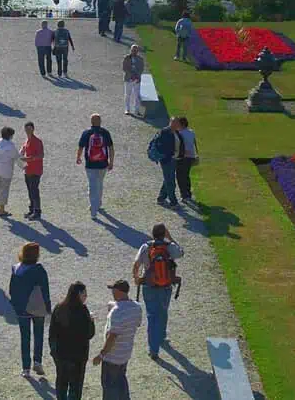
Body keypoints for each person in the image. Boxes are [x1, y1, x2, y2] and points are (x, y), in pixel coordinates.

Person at [132, 224, 183, 360]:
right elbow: (181, 253)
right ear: (164, 234)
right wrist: (170, 238)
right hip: (166, 286)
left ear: (153, 233)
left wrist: (136, 278)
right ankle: (161, 336)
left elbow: (136, 264)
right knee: (163, 311)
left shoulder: (146, 247)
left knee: (152, 316)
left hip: (149, 286)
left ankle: (153, 350)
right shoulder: (169, 247)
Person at [91, 280, 142, 398]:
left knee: (110, 388)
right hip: (125, 353)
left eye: (113, 290)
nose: (112, 292)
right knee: (121, 381)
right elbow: (137, 323)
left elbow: (112, 337)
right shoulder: (137, 307)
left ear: (118, 291)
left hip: (112, 357)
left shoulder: (116, 312)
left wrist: (101, 355)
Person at [9, 242, 51, 378]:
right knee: (38, 335)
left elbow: (11, 290)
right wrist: (48, 308)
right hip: (38, 307)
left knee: (25, 337)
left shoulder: (16, 269)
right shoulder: (39, 270)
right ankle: (37, 362)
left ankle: (25, 368)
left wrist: (15, 305)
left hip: (21, 308)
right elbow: (45, 291)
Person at [49, 282, 96, 400]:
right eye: (84, 294)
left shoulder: (59, 308)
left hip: (61, 355)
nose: (86, 296)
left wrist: (53, 351)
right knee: (76, 387)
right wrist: (91, 321)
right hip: (78, 357)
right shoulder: (83, 310)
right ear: (78, 294)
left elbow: (52, 333)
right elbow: (89, 334)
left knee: (61, 384)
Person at [76, 114, 114, 219]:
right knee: (100, 184)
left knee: (92, 185)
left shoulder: (86, 133)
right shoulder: (105, 133)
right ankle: (99, 204)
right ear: (100, 121)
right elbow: (111, 148)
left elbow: (81, 147)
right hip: (103, 164)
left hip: (90, 165)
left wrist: (78, 157)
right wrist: (111, 162)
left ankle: (93, 210)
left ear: (91, 122)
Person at [0, 126, 20, 217]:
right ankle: (2, 210)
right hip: (6, 171)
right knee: (4, 190)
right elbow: (17, 157)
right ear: (10, 136)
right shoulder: (11, 146)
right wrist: (25, 166)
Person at [19, 121, 45, 220]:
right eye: (26, 129)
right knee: (30, 191)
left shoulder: (37, 141)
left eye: (29, 129)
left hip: (35, 170)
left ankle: (37, 211)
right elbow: (22, 150)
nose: (27, 131)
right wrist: (20, 154)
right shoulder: (27, 140)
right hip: (28, 170)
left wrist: (29, 159)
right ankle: (32, 209)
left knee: (34, 191)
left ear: (33, 129)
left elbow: (41, 155)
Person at [155, 119, 179, 208]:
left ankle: (161, 198)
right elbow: (161, 146)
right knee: (170, 181)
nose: (176, 125)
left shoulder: (175, 132)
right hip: (167, 160)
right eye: (175, 123)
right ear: (171, 123)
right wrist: (169, 154)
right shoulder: (165, 132)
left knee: (168, 179)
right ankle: (173, 201)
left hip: (173, 159)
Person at [174, 116, 199, 204]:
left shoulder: (179, 133)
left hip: (182, 157)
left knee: (180, 177)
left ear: (181, 124)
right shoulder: (191, 132)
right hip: (191, 157)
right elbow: (194, 144)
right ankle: (188, 194)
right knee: (186, 176)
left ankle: (184, 195)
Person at [122, 45, 145, 117]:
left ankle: (136, 110)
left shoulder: (140, 59)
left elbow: (141, 69)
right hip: (128, 79)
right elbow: (124, 68)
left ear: (137, 51)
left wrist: (136, 76)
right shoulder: (126, 58)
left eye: (135, 50)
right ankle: (127, 109)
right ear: (130, 50)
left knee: (137, 95)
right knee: (127, 95)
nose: (134, 52)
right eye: (132, 50)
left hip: (137, 79)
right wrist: (131, 75)